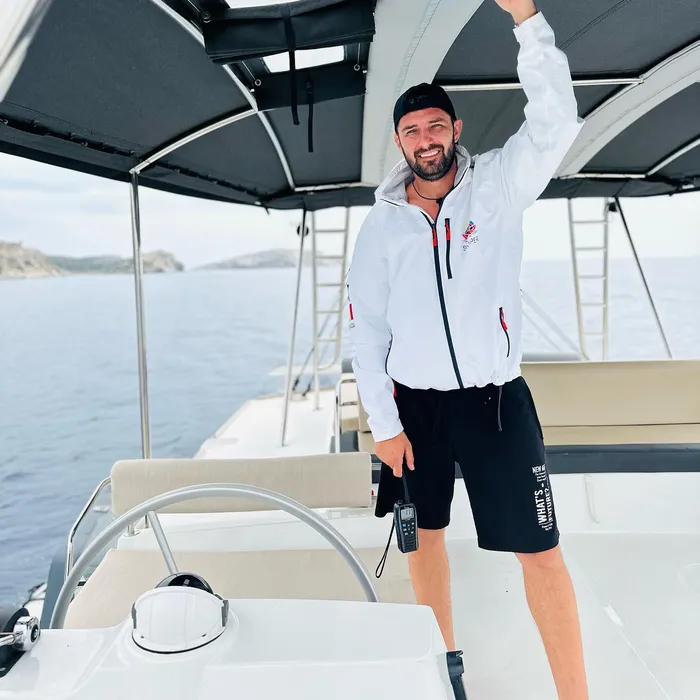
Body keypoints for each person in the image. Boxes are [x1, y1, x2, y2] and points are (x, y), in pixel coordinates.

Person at [346, 1, 589, 699]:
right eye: (411, 130)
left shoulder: (500, 187)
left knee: (541, 552)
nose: (425, 140)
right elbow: (367, 332)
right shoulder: (381, 228)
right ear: (400, 143)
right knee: (423, 540)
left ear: (455, 130)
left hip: (496, 406)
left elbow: (556, 121)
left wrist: (527, 21)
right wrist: (384, 425)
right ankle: (444, 670)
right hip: (414, 412)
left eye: (435, 126)